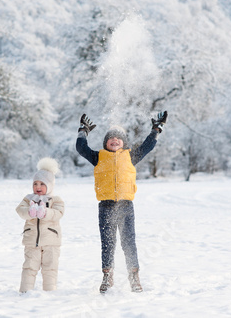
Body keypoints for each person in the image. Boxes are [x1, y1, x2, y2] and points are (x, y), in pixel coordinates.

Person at [75, 111, 167, 293]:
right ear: (105, 143)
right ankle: (107, 276)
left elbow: (148, 146)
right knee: (108, 242)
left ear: (124, 143)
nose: (115, 140)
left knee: (128, 241)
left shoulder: (131, 156)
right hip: (106, 206)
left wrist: (156, 128)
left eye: (119, 138)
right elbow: (81, 148)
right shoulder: (98, 157)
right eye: (111, 138)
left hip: (125, 206)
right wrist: (82, 131)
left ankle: (134, 276)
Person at [16, 157, 64, 293]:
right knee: (29, 267)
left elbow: (58, 213)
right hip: (32, 241)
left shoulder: (56, 200)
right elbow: (20, 210)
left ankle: (50, 292)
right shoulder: (28, 199)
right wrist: (30, 212)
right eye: (35, 184)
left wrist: (45, 212)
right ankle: (25, 291)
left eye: (42, 184)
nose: (38, 187)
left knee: (50, 268)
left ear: (50, 185)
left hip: (51, 242)